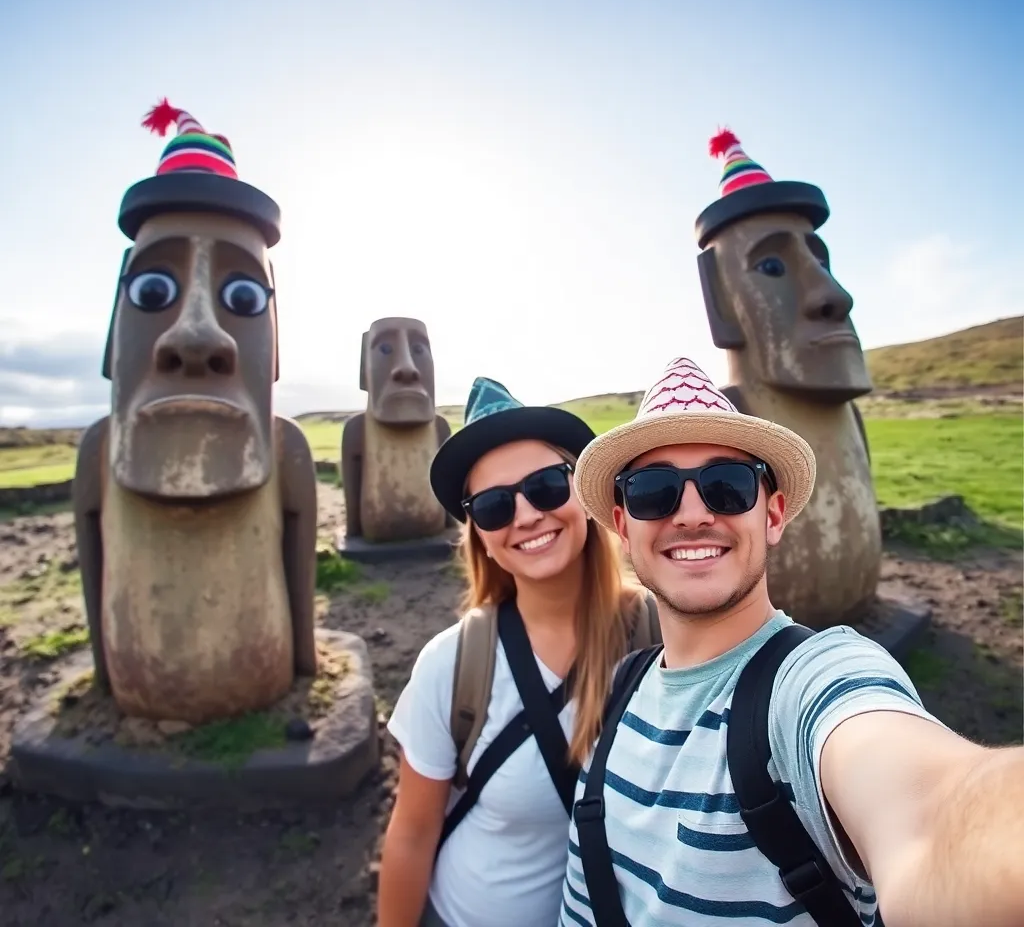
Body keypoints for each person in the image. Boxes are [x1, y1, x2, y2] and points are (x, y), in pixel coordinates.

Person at [558, 355, 1024, 927]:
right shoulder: (617, 688)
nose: (692, 513)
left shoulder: (813, 682)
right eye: (653, 491)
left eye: (726, 486)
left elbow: (932, 812)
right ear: (625, 526)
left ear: (772, 514)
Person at [376, 377, 660, 927]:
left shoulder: (661, 635)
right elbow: (411, 833)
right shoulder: (454, 664)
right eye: (495, 504)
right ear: (479, 534)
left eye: (549, 485)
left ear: (586, 493)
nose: (527, 515)